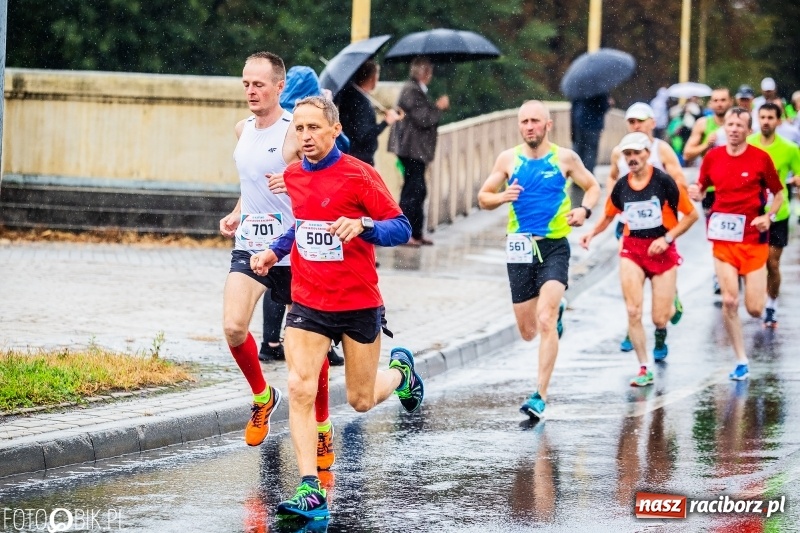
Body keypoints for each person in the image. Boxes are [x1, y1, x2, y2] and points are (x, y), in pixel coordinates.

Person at [250, 96, 419, 521]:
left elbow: (402, 227)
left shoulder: (359, 175)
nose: (305, 136)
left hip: (358, 301)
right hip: (309, 301)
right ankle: (310, 488)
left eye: (313, 128)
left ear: (334, 129)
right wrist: (274, 251)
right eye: (299, 129)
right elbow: (301, 225)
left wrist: (364, 225)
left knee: (361, 400)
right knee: (299, 387)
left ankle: (401, 374)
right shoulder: (293, 175)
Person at [218, 53, 336, 468]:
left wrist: (293, 182)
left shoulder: (294, 133)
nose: (251, 91)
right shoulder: (242, 129)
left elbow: (324, 179)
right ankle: (262, 396)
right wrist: (239, 211)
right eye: (246, 84)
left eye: (260, 85)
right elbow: (250, 180)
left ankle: (322, 428)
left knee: (308, 352)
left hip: (293, 249)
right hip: (251, 245)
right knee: (233, 327)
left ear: (279, 87)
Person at [477, 100, 600, 420]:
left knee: (545, 319)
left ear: (548, 125)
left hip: (554, 246)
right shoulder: (508, 159)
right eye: (524, 122)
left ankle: (540, 396)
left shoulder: (565, 158)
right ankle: (555, 310)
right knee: (528, 331)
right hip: (519, 248)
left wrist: (584, 210)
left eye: (535, 121)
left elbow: (592, 186)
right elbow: (483, 197)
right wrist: (501, 197)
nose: (529, 126)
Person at [580, 133, 698, 383]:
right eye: (627, 154)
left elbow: (691, 215)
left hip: (662, 252)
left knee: (659, 317)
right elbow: (609, 215)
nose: (632, 158)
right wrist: (592, 233)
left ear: (647, 154)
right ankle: (644, 367)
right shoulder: (622, 186)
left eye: (636, 153)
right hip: (632, 250)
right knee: (633, 311)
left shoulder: (664, 182)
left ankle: (664, 322)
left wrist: (667, 239)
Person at [688, 107, 783, 381]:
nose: (733, 129)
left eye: (739, 125)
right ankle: (741, 360)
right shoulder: (713, 157)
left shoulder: (760, 159)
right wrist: (696, 192)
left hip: (753, 241)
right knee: (730, 300)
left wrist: (768, 216)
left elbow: (778, 193)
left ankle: (763, 302)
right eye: (729, 124)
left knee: (754, 309)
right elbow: (701, 188)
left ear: (748, 130)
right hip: (723, 240)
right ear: (723, 127)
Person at [607, 103, 687, 354]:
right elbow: (612, 176)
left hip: (659, 226)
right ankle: (632, 326)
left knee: (660, 303)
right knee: (631, 278)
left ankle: (662, 324)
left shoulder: (661, 150)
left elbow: (678, 179)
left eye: (640, 121)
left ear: (652, 122)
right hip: (628, 224)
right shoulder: (619, 151)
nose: (636, 126)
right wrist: (613, 200)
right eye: (631, 122)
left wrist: (674, 201)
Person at [746, 102, 800, 328]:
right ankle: (754, 298)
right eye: (763, 117)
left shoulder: (789, 148)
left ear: (779, 121)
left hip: (778, 213)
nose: (766, 122)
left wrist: (795, 180)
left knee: (772, 263)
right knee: (751, 262)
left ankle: (771, 305)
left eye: (770, 118)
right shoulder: (748, 144)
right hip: (752, 212)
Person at [388, 56, 450, 246]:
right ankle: (405, 234)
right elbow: (423, 119)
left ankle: (416, 232)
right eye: (429, 71)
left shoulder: (415, 89)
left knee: (418, 190)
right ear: (425, 73)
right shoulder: (411, 90)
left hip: (415, 149)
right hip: (411, 149)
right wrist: (439, 107)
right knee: (412, 191)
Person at [683, 87, 734, 295]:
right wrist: (706, 144)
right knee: (717, 233)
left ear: (730, 102)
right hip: (712, 188)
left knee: (737, 231)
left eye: (723, 100)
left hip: (737, 187)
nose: (719, 104)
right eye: (716, 100)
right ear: (711, 104)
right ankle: (720, 272)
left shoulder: (737, 122)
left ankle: (734, 268)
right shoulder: (703, 124)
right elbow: (687, 153)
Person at [335, 60, 402, 166]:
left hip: (351, 154)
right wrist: (385, 122)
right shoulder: (360, 102)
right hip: (361, 158)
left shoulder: (350, 96)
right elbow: (365, 135)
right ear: (373, 78)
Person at [570, 93, 610, 175]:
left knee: (578, 151)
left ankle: (576, 176)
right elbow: (603, 106)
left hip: (578, 124)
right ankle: (588, 176)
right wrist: (608, 103)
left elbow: (573, 107)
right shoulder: (598, 90)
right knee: (590, 152)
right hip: (593, 125)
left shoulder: (577, 89)